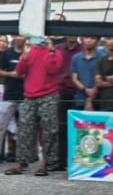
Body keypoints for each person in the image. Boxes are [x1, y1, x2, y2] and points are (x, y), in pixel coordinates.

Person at [11, 37, 70, 177]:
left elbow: (53, 68)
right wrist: (25, 56)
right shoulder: (31, 50)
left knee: (49, 130)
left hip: (49, 95)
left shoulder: (56, 53)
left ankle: (46, 163)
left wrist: (50, 51)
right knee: (24, 129)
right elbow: (20, 71)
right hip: (30, 95)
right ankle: (21, 163)